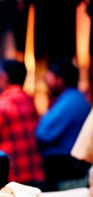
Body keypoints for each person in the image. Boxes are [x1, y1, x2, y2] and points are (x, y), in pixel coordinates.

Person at [36, 58, 92, 188]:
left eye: (50, 78)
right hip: (69, 163)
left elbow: (43, 132)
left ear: (60, 80)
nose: (47, 82)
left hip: (65, 165)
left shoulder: (70, 101)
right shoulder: (75, 98)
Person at [0, 60, 44, 186]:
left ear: (5, 77)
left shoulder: (1, 104)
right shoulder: (29, 100)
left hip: (13, 174)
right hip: (33, 171)